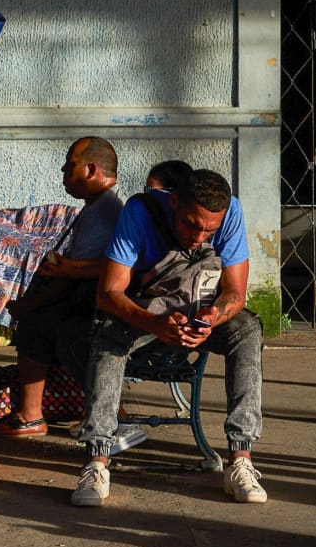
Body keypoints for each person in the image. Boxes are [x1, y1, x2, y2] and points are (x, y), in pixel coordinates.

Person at [70, 168, 267, 507]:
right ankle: (97, 461)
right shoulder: (140, 211)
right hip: (145, 314)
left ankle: (241, 460)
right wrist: (154, 322)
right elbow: (109, 293)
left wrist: (214, 315)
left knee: (247, 330)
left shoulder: (231, 211)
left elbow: (235, 292)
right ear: (174, 202)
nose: (199, 237)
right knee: (107, 339)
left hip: (199, 316)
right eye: (191, 224)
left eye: (210, 230)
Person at [0, 136, 123, 438]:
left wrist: (29, 306)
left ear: (91, 170)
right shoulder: (101, 204)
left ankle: (30, 416)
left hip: (94, 304)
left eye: (70, 165)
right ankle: (108, 409)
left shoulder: (103, 211)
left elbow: (68, 280)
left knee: (36, 325)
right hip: (95, 297)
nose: (63, 170)